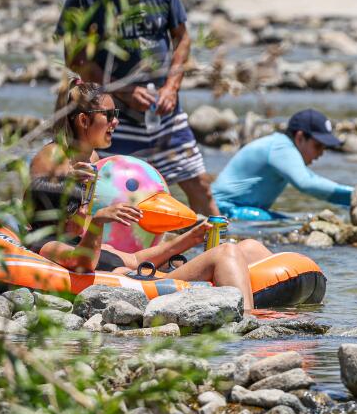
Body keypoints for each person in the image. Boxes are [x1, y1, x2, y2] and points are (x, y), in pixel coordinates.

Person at [28, 79, 273, 309]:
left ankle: (291, 291)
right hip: (136, 283)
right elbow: (42, 202)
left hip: (130, 265)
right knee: (226, 253)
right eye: (110, 115)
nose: (116, 122)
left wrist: (191, 236)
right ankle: (249, 323)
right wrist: (96, 221)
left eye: (117, 114)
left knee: (249, 246)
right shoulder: (52, 163)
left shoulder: (92, 163)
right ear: (83, 120)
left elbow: (133, 259)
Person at [55, 0, 216, 216]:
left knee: (200, 186)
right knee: (112, 194)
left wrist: (172, 87)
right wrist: (125, 91)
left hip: (165, 111)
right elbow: (74, 58)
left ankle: (221, 249)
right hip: (114, 120)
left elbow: (182, 38)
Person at [211, 109, 353, 220]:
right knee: (295, 225)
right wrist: (355, 195)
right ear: (300, 137)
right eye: (318, 146)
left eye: (325, 148)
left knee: (292, 222)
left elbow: (311, 179)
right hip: (225, 210)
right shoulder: (281, 148)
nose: (321, 153)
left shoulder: (281, 146)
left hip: (231, 209)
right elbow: (306, 183)